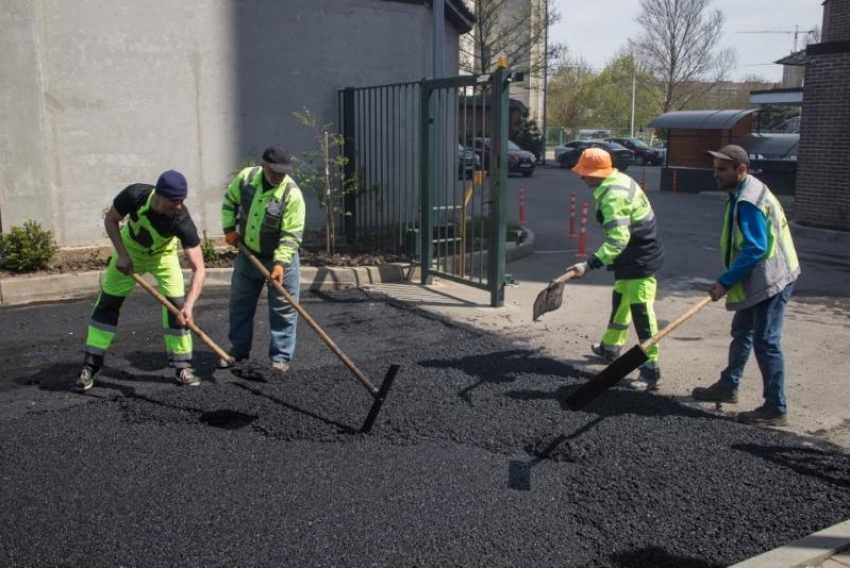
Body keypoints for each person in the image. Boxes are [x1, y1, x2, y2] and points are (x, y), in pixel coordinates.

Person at [692, 145, 800, 426]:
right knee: (741, 331)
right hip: (760, 275)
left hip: (773, 278)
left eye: (722, 169)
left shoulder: (748, 201)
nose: (716, 174)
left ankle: (776, 408)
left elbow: (755, 249)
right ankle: (728, 386)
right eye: (715, 168)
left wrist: (725, 281)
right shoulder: (743, 190)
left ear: (741, 170)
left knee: (766, 341)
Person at [76, 170, 206, 392]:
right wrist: (122, 254)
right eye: (174, 201)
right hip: (130, 250)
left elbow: (199, 269)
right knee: (108, 304)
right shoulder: (135, 195)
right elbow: (111, 220)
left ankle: (182, 366)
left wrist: (189, 306)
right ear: (160, 195)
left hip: (162, 257)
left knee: (177, 307)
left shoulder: (181, 219)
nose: (179, 206)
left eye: (182, 200)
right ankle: (91, 364)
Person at [567, 148, 665, 391]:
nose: (581, 177)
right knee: (621, 298)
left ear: (599, 173)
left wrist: (589, 264)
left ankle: (651, 369)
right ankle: (610, 348)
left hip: (640, 255)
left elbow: (617, 240)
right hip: (631, 253)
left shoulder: (613, 196)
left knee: (642, 311)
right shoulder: (616, 179)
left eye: (585, 173)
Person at [219, 146, 306, 372]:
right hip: (248, 256)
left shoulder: (291, 194)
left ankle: (280, 359)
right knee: (240, 305)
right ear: (264, 164)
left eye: (283, 172)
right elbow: (230, 201)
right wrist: (229, 228)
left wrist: (279, 264)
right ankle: (238, 352)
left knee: (283, 310)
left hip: (280, 261)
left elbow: (291, 235)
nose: (279, 176)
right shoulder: (247, 178)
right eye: (274, 170)